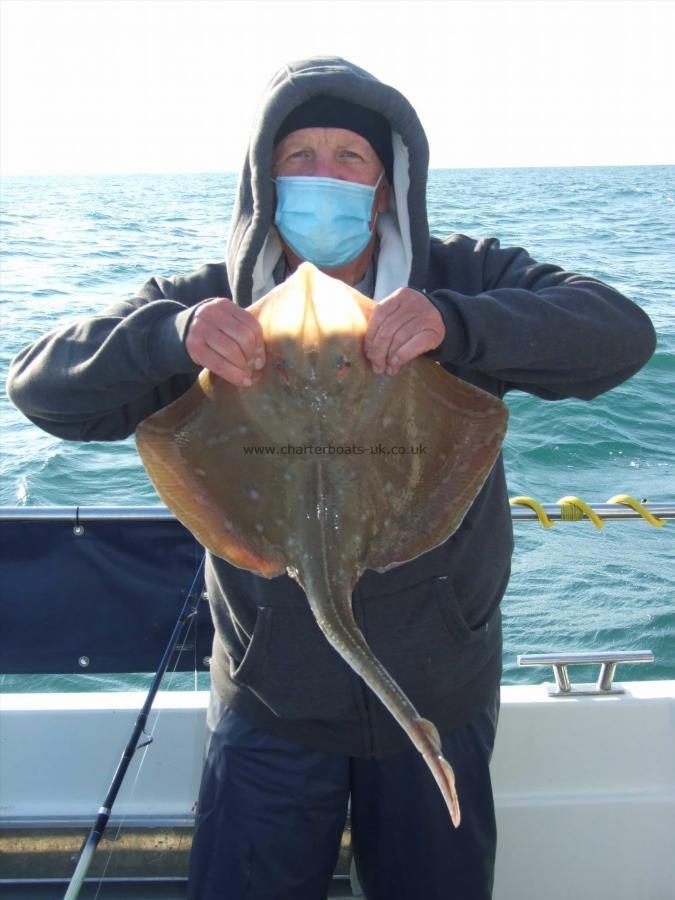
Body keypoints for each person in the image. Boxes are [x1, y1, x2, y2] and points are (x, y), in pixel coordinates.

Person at [7, 57, 655, 900]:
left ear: (388, 187)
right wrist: (172, 341)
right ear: (262, 181)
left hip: (438, 685)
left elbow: (619, 335)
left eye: (350, 158)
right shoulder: (210, 301)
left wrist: (454, 324)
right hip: (270, 698)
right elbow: (41, 390)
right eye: (298, 156)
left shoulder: (461, 277)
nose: (324, 177)